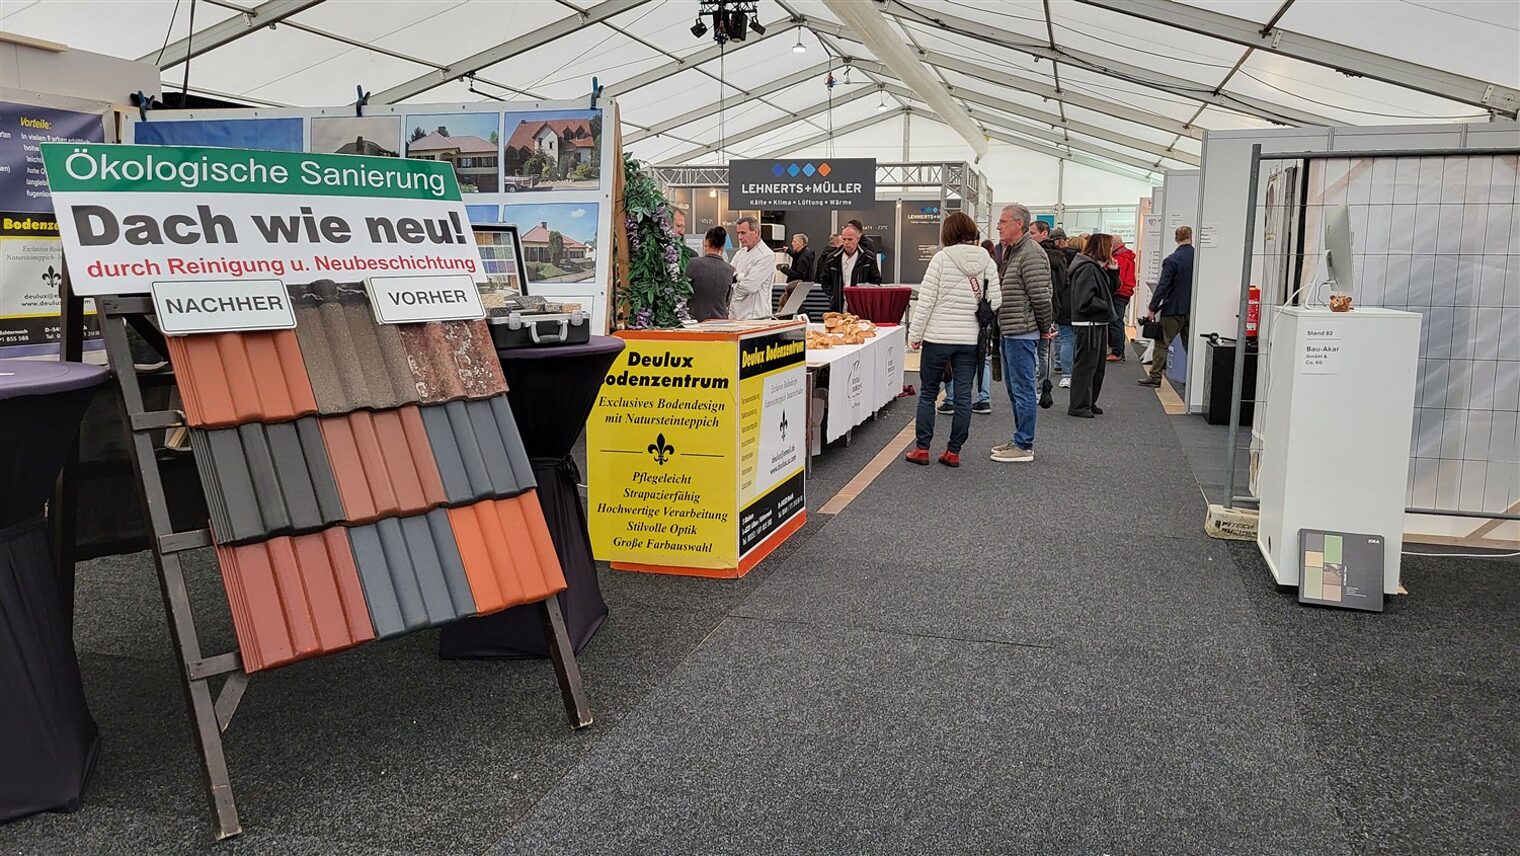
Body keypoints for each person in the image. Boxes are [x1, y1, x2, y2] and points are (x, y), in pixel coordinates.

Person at [906, 212, 999, 468]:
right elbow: (996, 301)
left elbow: (926, 301)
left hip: (938, 337)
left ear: (948, 233)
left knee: (928, 392)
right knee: (964, 396)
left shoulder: (941, 258)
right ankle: (953, 451)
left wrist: (915, 335)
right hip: (970, 340)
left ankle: (922, 449)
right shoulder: (987, 260)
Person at [990, 204, 1055, 464]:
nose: (999, 226)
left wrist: (1044, 327)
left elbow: (1041, 295)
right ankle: (1020, 438)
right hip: (1011, 329)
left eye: (1004, 221)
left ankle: (1024, 444)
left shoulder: (1031, 253)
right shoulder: (1015, 251)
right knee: (1015, 389)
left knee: (1023, 389)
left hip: (1022, 331)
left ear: (1019, 224)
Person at [941, 240, 999, 415]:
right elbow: (995, 298)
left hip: (954, 321)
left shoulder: (948, 261)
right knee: (983, 360)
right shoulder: (986, 263)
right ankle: (983, 399)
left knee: (953, 361)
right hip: (981, 319)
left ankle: (952, 399)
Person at [1066, 233, 1117, 418]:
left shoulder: (1093, 267)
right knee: (1086, 366)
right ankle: (1079, 405)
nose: (1112, 250)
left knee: (1096, 367)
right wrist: (1106, 305)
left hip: (1095, 322)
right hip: (1089, 323)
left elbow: (1110, 289)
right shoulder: (1087, 268)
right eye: (1110, 247)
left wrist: (1113, 271)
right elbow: (1085, 300)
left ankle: (1088, 402)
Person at [1140, 225, 1195, 387]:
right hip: (1192, 308)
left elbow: (1163, 286)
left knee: (1162, 342)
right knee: (1190, 345)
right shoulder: (1198, 258)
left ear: (1176, 238)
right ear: (1191, 237)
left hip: (1173, 309)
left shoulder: (1172, 260)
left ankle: (1155, 376)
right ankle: (1194, 380)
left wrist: (1152, 307)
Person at [1031, 220, 1074, 385]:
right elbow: (1064, 282)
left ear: (1044, 233)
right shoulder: (1059, 256)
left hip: (1040, 306)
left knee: (1039, 348)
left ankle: (1039, 384)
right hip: (1053, 307)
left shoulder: (1035, 255)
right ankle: (1043, 384)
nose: (1030, 236)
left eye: (1033, 233)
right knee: (1045, 348)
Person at [820, 223, 882, 313]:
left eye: (850, 239)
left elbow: (876, 281)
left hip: (862, 308)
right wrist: (833, 296)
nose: (846, 242)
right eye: (844, 239)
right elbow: (825, 280)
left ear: (857, 239)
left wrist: (865, 297)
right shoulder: (832, 258)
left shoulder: (868, 258)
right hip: (838, 307)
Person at [730, 216, 776, 320]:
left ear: (755, 232)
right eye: (738, 233)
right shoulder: (740, 253)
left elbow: (749, 287)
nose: (740, 237)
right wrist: (739, 277)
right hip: (735, 316)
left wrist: (734, 286)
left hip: (755, 317)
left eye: (743, 233)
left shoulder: (766, 255)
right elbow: (728, 276)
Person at [686, 226, 735, 321]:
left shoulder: (693, 263)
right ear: (722, 246)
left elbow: (684, 291)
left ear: (706, 244)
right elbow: (727, 299)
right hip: (720, 321)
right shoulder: (729, 269)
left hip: (696, 320)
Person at [1108, 235, 1138, 362]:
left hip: (1119, 294)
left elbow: (1118, 279)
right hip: (1124, 293)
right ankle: (1118, 351)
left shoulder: (1120, 258)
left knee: (1116, 322)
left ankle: (1117, 352)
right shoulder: (1126, 256)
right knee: (1117, 322)